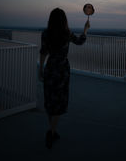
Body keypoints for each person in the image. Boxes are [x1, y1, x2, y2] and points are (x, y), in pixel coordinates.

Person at [39, 8, 90, 149]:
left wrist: (40, 69)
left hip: (50, 69)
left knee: (50, 100)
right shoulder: (66, 33)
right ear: (64, 20)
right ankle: (51, 133)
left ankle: (53, 131)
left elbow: (43, 52)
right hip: (62, 70)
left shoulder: (45, 33)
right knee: (59, 101)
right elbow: (80, 42)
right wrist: (85, 29)